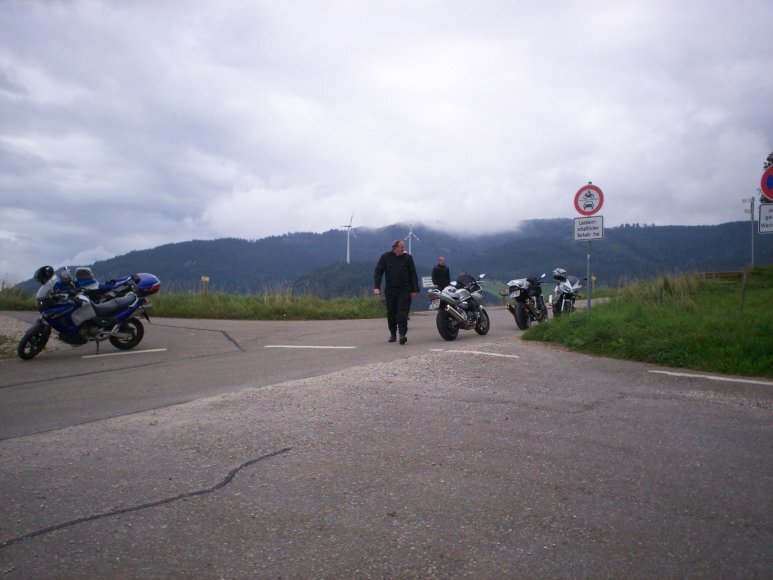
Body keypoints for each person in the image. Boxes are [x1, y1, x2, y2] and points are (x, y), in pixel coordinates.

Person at [373, 239, 420, 344]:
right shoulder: (385, 257)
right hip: (390, 289)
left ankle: (402, 334)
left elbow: (413, 274)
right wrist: (377, 287)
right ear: (395, 248)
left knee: (402, 312)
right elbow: (378, 271)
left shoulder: (408, 258)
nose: (404, 249)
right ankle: (393, 334)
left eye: (403, 247)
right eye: (401, 247)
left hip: (404, 289)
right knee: (391, 313)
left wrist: (414, 289)